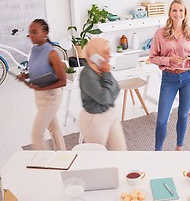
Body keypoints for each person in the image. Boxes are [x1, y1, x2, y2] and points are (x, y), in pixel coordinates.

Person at [149, 0, 190, 151]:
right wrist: (170, 59)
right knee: (162, 119)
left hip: (189, 77)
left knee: (183, 115)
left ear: (185, 13)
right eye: (174, 10)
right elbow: (152, 57)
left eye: (181, 10)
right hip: (169, 79)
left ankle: (179, 148)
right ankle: (158, 151)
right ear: (170, 13)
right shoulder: (160, 34)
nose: (178, 13)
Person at [17, 19, 67, 150]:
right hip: (39, 95)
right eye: (30, 33)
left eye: (34, 32)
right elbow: (37, 70)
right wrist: (26, 76)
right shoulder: (34, 49)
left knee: (37, 134)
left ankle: (43, 165)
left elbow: (63, 81)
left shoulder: (52, 53)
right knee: (53, 129)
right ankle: (64, 156)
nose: (31, 36)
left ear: (45, 33)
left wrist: (41, 87)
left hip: (51, 97)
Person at [79, 37, 127, 151]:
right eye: (106, 53)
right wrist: (107, 78)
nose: (109, 56)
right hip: (94, 120)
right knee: (97, 159)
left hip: (110, 114)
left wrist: (107, 76)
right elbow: (105, 98)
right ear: (95, 54)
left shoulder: (103, 69)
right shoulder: (87, 74)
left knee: (122, 153)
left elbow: (117, 89)